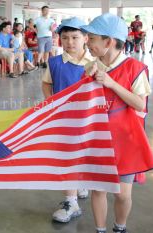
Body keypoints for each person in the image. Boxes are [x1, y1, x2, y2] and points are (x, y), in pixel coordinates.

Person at [80, 13, 153, 233]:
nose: (88, 42)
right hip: (97, 138)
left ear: (109, 42)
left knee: (122, 194)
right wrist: (87, 78)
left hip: (126, 140)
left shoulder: (135, 68)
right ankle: (100, 229)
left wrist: (112, 84)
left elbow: (140, 105)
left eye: (92, 38)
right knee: (98, 190)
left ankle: (119, 227)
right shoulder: (90, 66)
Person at [42, 17, 91, 223]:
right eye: (65, 37)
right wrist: (51, 103)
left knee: (84, 153)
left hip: (90, 119)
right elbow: (46, 83)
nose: (70, 42)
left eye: (75, 37)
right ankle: (71, 202)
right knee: (66, 158)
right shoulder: (54, 62)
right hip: (63, 119)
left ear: (86, 38)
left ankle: (81, 180)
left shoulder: (95, 64)